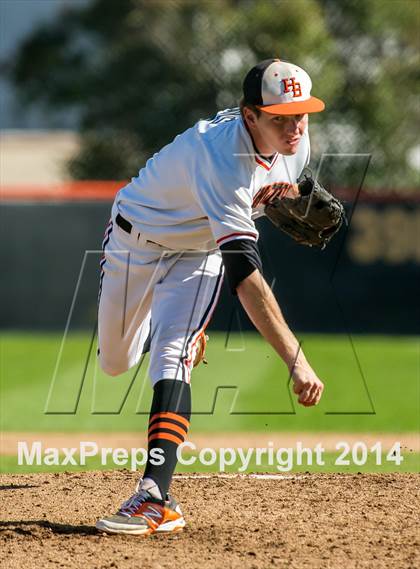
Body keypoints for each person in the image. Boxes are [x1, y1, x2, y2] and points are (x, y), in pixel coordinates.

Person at [95, 58, 325, 535]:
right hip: (136, 239)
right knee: (116, 362)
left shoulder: (296, 146)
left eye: (301, 113)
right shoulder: (221, 155)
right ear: (249, 116)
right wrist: (295, 358)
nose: (294, 125)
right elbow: (245, 274)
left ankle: (155, 497)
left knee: (172, 355)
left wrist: (293, 195)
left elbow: (278, 189)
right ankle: (166, 330)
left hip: (198, 252)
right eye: (280, 116)